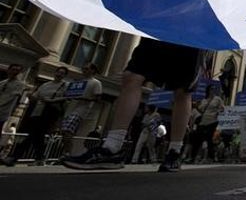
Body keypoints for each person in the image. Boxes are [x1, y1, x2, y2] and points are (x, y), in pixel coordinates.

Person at [62, 40, 206, 172]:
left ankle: (175, 150)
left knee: (183, 90)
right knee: (131, 76)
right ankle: (112, 148)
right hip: (159, 25)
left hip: (191, 32)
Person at [3, 66, 69, 166]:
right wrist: (31, 96)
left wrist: (52, 101)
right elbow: (36, 97)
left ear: (65, 76)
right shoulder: (45, 85)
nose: (59, 74)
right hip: (38, 111)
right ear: (55, 72)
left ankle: (14, 157)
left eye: (62, 73)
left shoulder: (66, 86)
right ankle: (39, 158)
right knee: (37, 136)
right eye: (58, 72)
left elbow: (67, 99)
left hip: (50, 113)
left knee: (35, 134)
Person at [60, 62, 102, 157]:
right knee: (64, 132)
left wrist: (84, 98)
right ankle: (67, 152)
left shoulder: (96, 83)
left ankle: (68, 153)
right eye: (83, 69)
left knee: (67, 130)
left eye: (86, 69)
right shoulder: (78, 82)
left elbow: (98, 99)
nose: (84, 71)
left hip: (81, 110)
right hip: (71, 109)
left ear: (93, 70)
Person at [189, 84, 225, 163]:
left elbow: (222, 109)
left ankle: (211, 157)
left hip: (212, 121)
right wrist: (196, 106)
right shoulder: (204, 100)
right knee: (198, 139)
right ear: (208, 90)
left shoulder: (218, 99)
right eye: (211, 89)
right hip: (203, 121)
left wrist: (217, 112)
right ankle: (193, 157)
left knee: (209, 138)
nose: (212, 90)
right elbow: (201, 110)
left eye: (214, 89)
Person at [0, 64, 25, 132]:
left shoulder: (19, 84)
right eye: (13, 69)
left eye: (17, 70)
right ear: (9, 70)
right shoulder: (2, 82)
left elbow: (11, 97)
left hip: (3, 111)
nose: (15, 72)